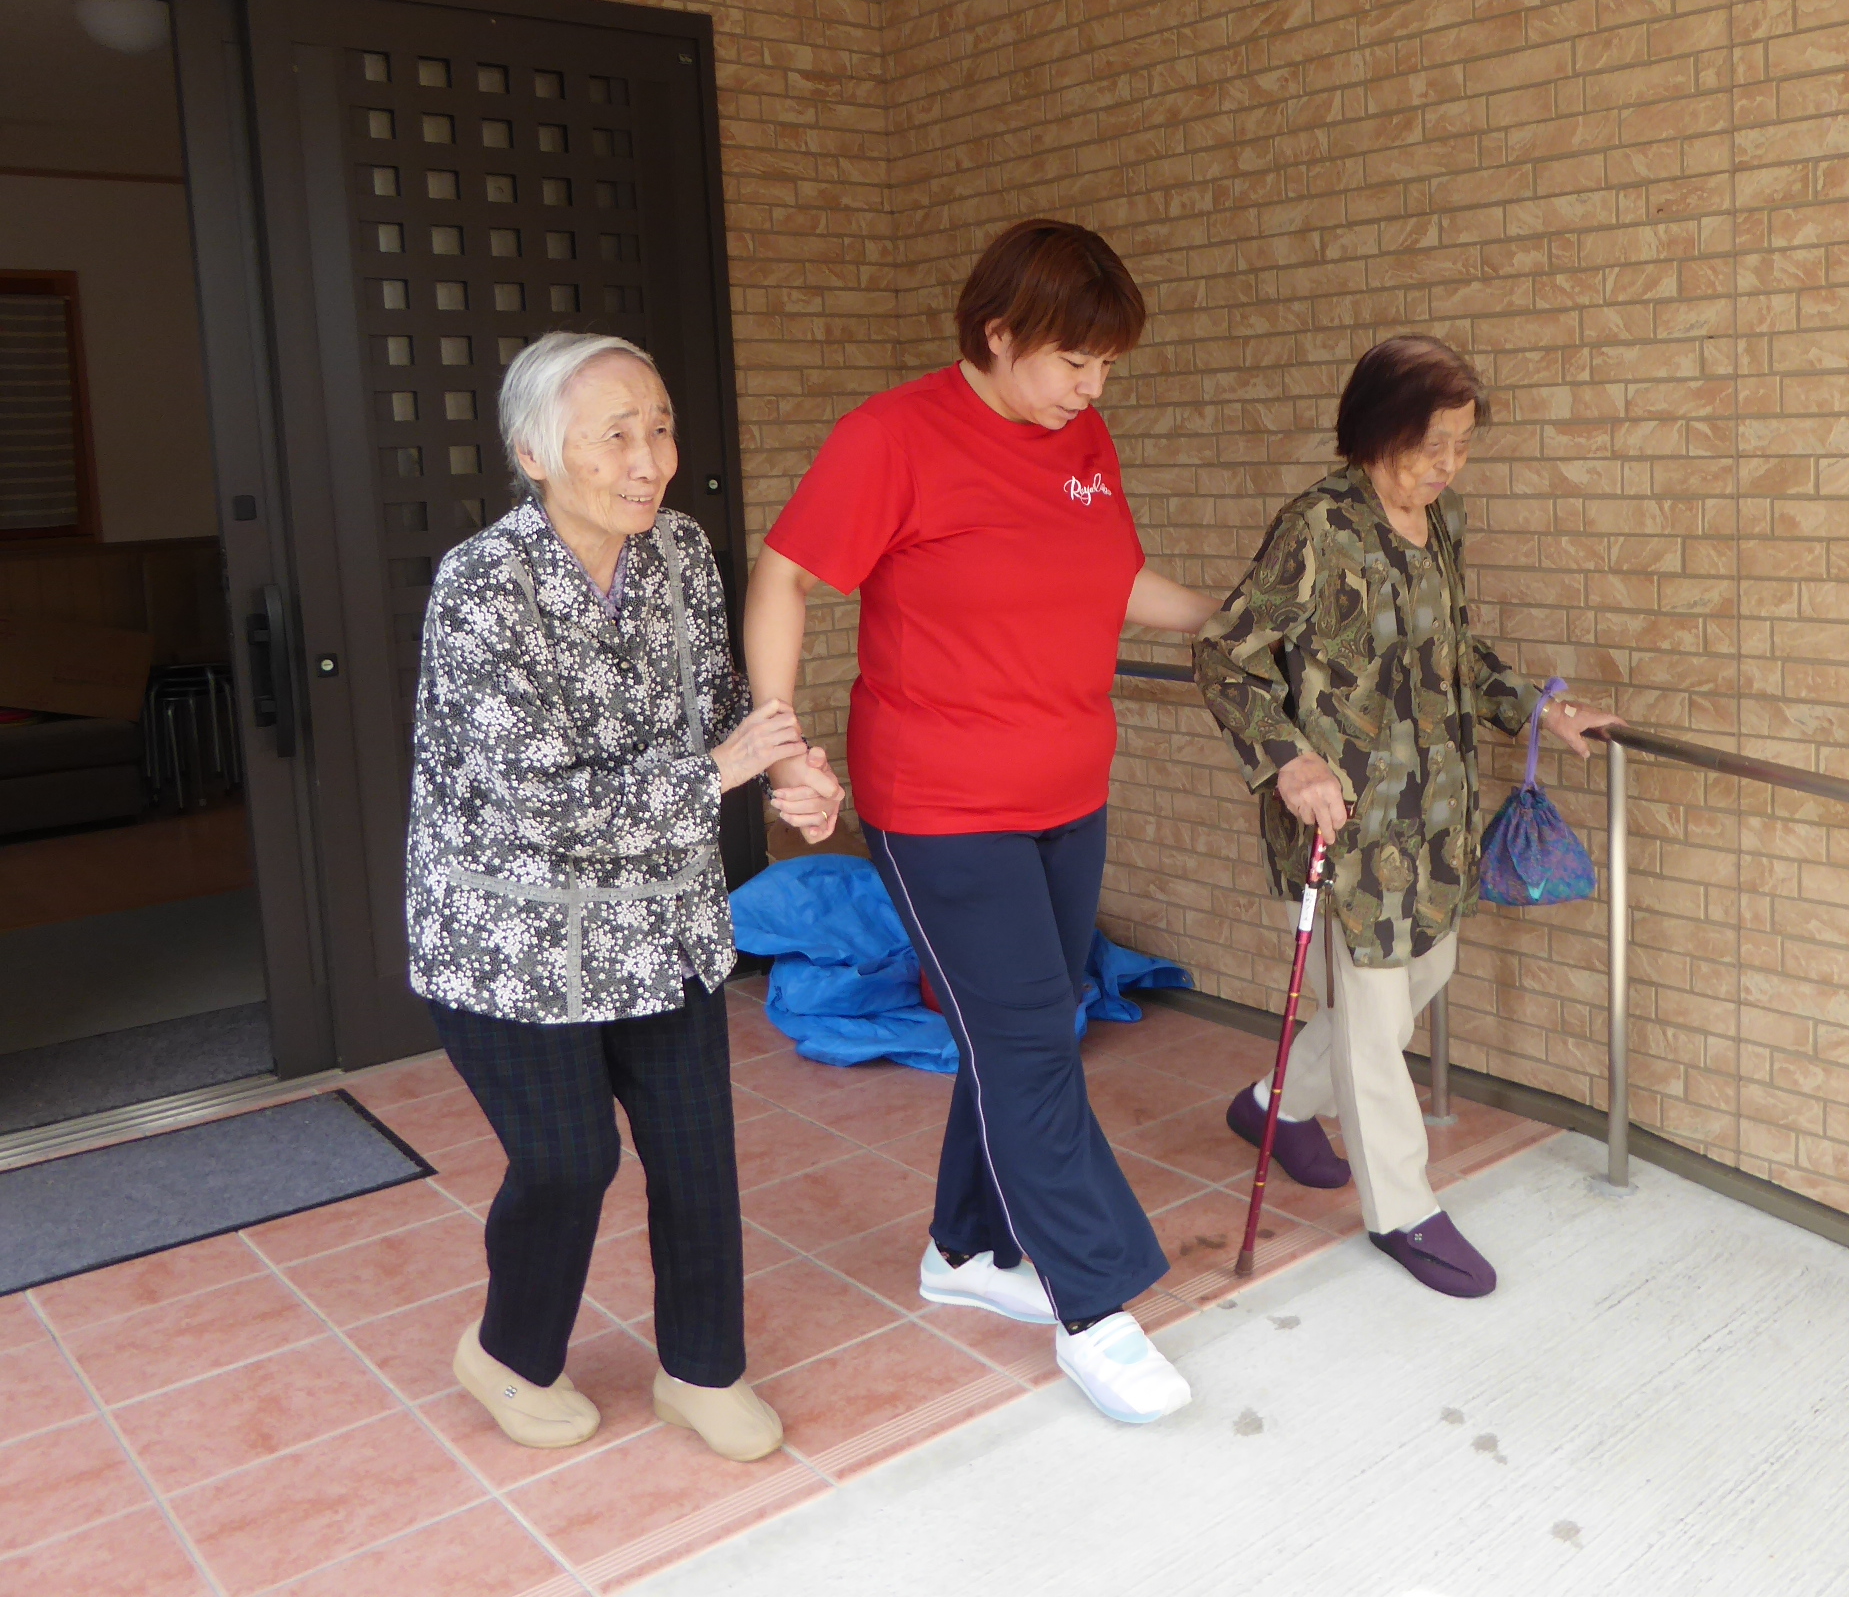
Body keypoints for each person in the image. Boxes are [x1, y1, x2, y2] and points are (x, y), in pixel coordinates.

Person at [743, 219, 1218, 1425]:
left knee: (1029, 1026)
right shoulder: (892, 437)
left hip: (1069, 791)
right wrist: (782, 740)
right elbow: (785, 574)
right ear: (998, 333)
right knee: (1027, 1043)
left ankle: (961, 1248)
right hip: (942, 803)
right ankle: (1094, 1301)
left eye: (1106, 366)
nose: (1092, 387)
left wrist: (1226, 617)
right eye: (1073, 360)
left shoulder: (1083, 438)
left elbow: (1111, 578)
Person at [408, 331, 842, 1461]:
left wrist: (790, 771)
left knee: (696, 1150)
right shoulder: (481, 585)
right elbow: (535, 801)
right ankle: (509, 1353)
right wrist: (723, 772)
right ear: (534, 456)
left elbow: (722, 704)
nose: (649, 460)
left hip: (662, 920)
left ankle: (703, 1370)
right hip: (512, 934)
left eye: (659, 428)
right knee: (569, 1158)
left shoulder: (681, 551)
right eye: (615, 436)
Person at [1194, 336, 1614, 1296]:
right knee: (1376, 1016)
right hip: (1346, 823)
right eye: (1433, 446)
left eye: (1463, 445)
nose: (1449, 465)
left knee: (1424, 974)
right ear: (1379, 431)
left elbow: (1455, 647)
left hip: (1436, 812)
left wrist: (1539, 709)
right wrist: (1289, 760)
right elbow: (1226, 655)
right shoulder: (1317, 528)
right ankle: (1403, 1211)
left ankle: (1272, 1105)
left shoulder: (1442, 521)